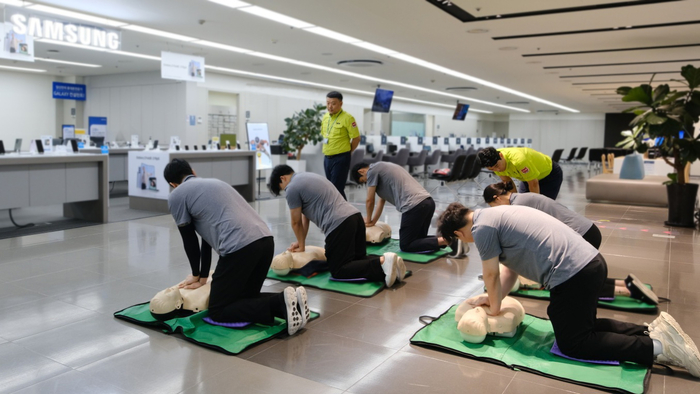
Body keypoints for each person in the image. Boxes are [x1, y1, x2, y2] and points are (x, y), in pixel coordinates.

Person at [437, 202, 700, 376]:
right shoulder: (494, 213)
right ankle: (651, 331)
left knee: (574, 343)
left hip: (574, 274)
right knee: (582, 324)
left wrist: (493, 308)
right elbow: (508, 271)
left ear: (459, 233)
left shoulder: (482, 228)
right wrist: (493, 299)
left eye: (461, 239)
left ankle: (659, 347)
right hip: (589, 264)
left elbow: (491, 274)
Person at [164, 159, 308, 335]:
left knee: (218, 310)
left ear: (172, 184)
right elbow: (206, 240)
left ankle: (279, 302)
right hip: (266, 241)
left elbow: (190, 240)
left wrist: (195, 276)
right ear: (192, 171)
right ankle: (290, 303)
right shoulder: (215, 183)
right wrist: (202, 278)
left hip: (240, 249)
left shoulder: (177, 195)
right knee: (244, 298)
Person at [483, 182, 658, 303]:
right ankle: (626, 283)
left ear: (497, 198)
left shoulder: (518, 206)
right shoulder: (524, 198)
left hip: (581, 236)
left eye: (493, 207)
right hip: (588, 230)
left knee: (575, 285)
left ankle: (628, 292)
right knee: (581, 277)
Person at [269, 164, 405, 287]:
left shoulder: (292, 188)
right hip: (355, 218)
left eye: (282, 188)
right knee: (357, 259)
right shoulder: (308, 176)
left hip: (340, 225)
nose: (285, 190)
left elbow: (295, 222)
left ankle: (382, 261)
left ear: (283, 178)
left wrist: (301, 244)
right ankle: (392, 262)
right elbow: (305, 217)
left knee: (339, 269)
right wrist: (301, 243)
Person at [351, 161, 466, 257]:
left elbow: (369, 200)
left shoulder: (372, 171)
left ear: (361, 171)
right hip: (427, 202)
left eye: (363, 181)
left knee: (406, 245)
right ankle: (454, 237)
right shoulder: (384, 168)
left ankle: (450, 240)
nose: (367, 183)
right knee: (418, 239)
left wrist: (368, 219)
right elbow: (381, 202)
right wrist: (372, 222)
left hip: (414, 207)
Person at [478, 146, 563, 200]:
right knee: (521, 204)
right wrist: (514, 202)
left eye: (497, 165)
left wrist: (535, 207)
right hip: (528, 178)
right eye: (492, 169)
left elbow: (533, 184)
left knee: (543, 208)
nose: (498, 170)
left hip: (549, 175)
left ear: (501, 155)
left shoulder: (518, 160)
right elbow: (508, 183)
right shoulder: (495, 165)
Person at [322, 91, 361, 200]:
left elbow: (356, 138)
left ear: (341, 104)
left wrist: (348, 152)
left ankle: (345, 214)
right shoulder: (325, 117)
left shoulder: (348, 118)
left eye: (333, 103)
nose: (330, 106)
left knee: (336, 189)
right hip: (327, 157)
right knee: (331, 188)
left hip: (341, 158)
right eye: (328, 103)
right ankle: (341, 213)